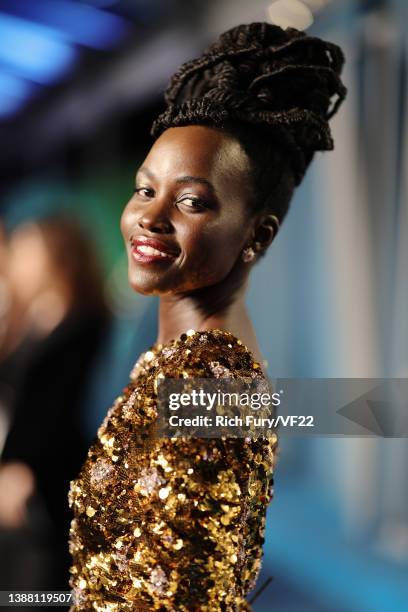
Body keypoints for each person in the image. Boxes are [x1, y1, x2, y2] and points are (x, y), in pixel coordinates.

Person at [68, 23, 347, 611]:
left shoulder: (207, 387)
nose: (151, 216)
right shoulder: (196, 362)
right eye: (145, 190)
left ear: (256, 234)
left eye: (191, 201)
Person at [0, 216, 110, 590]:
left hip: (58, 483)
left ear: (57, 255)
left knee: (42, 588)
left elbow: (58, 406)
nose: (18, 260)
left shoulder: (88, 324)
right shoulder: (28, 321)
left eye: (28, 251)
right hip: (28, 486)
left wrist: (22, 466)